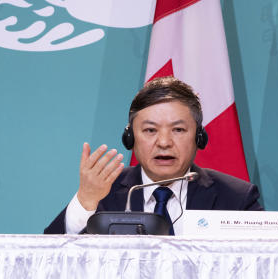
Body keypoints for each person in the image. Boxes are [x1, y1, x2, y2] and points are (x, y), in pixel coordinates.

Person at [45, 77, 262, 234]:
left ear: (199, 137)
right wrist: (85, 200)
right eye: (150, 130)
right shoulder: (104, 193)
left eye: (178, 130)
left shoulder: (236, 197)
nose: (164, 142)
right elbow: (49, 258)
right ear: (130, 137)